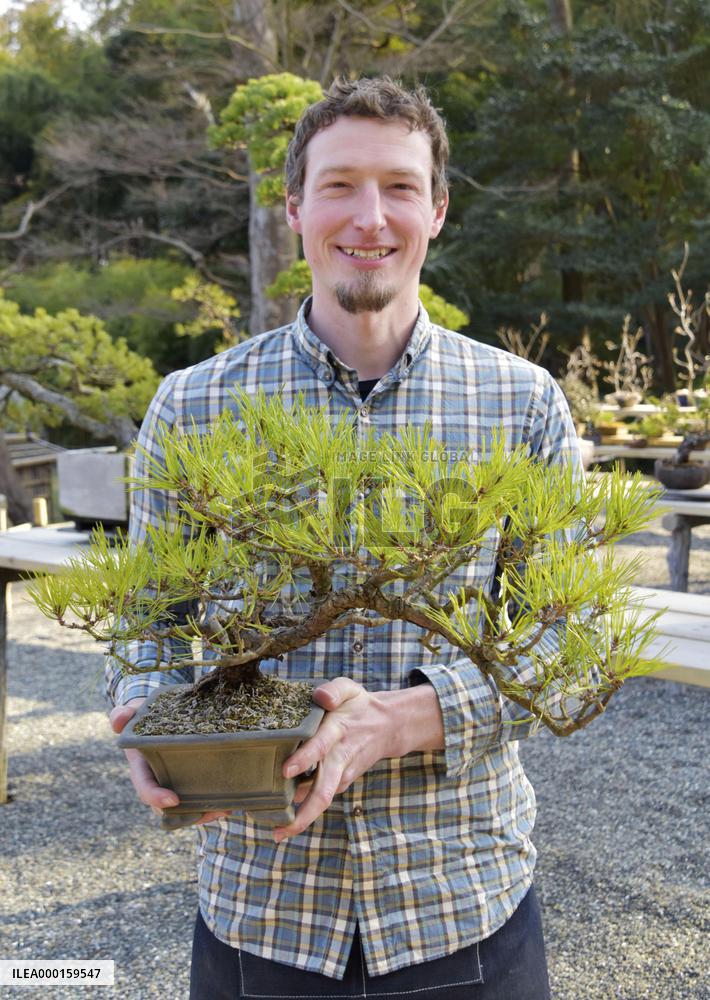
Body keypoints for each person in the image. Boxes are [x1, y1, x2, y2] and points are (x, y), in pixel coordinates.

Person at [108, 77, 580, 999]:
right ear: (294, 209)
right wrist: (146, 719)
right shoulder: (195, 405)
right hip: (262, 902)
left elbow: (560, 644)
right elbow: (147, 625)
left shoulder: (521, 404)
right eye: (338, 185)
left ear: (437, 211)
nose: (371, 216)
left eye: (400, 187)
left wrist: (408, 718)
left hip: (461, 897)